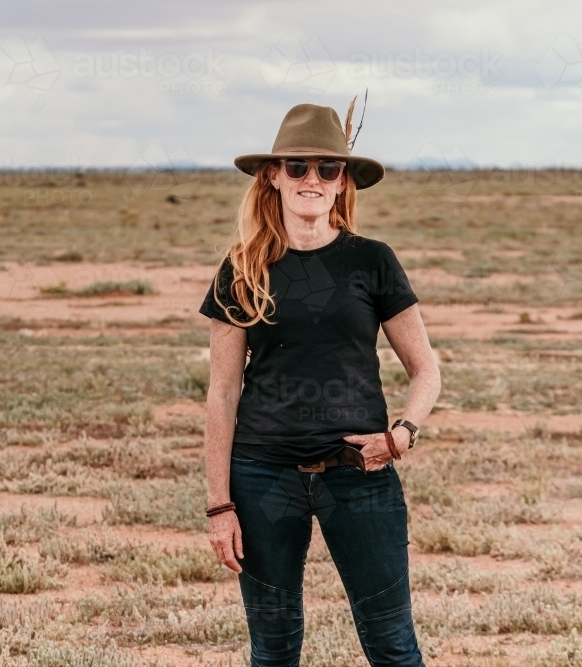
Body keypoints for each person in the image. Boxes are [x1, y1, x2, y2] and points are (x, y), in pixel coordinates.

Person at [198, 101, 442, 667]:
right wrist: (219, 505)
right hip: (262, 479)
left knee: (392, 645)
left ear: (342, 182)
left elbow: (426, 370)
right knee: (274, 648)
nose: (313, 179)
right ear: (273, 175)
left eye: (328, 169)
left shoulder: (372, 261)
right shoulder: (242, 269)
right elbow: (222, 393)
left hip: (362, 477)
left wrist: (402, 433)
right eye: (299, 166)